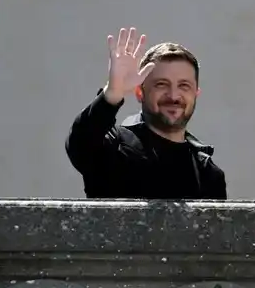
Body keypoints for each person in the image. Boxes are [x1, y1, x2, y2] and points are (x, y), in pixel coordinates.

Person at [65, 27, 226, 199]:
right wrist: (112, 93)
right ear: (140, 92)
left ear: (196, 94)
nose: (173, 95)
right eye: (161, 84)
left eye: (184, 85)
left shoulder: (208, 173)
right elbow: (80, 143)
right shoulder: (114, 146)